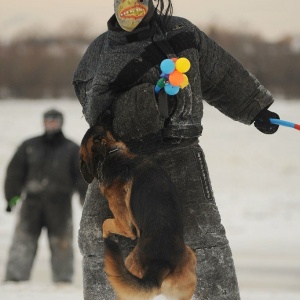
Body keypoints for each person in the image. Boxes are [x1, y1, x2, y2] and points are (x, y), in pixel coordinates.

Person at [73, 1, 280, 299]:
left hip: (178, 151)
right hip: (117, 156)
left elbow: (220, 73)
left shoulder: (182, 34)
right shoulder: (99, 50)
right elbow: (91, 105)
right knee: (97, 237)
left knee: (203, 238)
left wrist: (256, 107)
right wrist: (142, 103)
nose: (131, 8)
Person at [4, 109, 87, 283]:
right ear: (43, 123)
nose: (51, 124)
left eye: (54, 121)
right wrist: (12, 195)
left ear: (60, 123)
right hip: (32, 204)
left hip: (60, 205)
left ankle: (63, 279)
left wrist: (85, 200)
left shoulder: (72, 149)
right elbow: (15, 172)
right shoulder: (29, 145)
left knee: (61, 243)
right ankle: (15, 278)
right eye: (48, 121)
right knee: (23, 241)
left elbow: (82, 177)